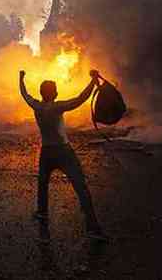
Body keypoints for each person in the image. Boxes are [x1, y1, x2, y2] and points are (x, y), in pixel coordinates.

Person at [19, 68, 107, 240]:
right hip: (63, 151)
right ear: (55, 93)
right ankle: (92, 228)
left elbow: (24, 93)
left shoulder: (36, 106)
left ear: (42, 93)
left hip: (46, 152)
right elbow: (80, 99)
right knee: (80, 187)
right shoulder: (58, 106)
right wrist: (93, 81)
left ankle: (42, 212)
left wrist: (21, 78)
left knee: (43, 183)